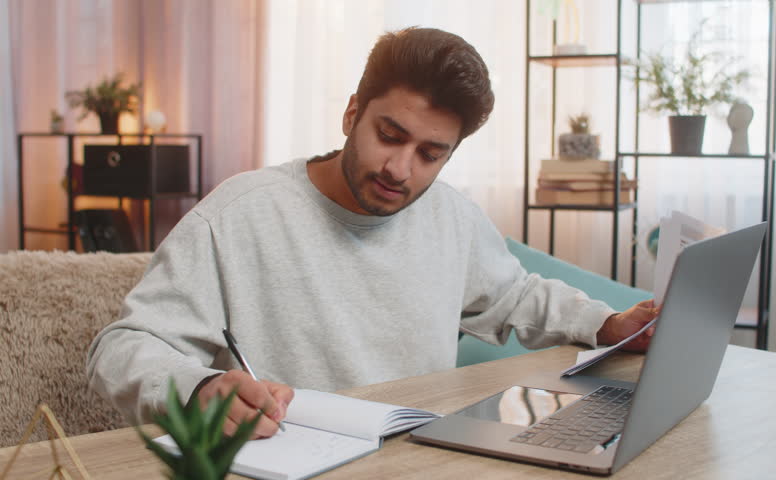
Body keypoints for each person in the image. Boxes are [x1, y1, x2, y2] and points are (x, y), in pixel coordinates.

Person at [86, 27, 658, 439]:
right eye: (390, 134)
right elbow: (121, 349)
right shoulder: (239, 215)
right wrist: (199, 387)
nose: (400, 169)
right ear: (351, 113)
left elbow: (514, 296)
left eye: (430, 153)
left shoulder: (451, 216)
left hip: (423, 455)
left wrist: (607, 323)